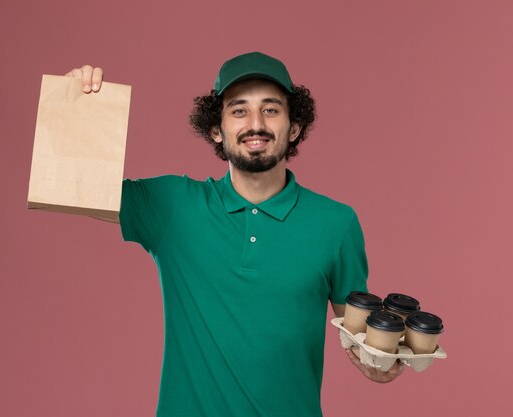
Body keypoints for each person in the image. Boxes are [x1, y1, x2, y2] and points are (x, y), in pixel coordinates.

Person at [64, 52, 403, 417]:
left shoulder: (336, 224)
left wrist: (379, 364)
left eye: (271, 110)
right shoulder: (172, 207)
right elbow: (71, 186)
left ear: (294, 127)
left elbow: (362, 341)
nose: (255, 124)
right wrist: (76, 109)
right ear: (216, 128)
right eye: (239, 111)